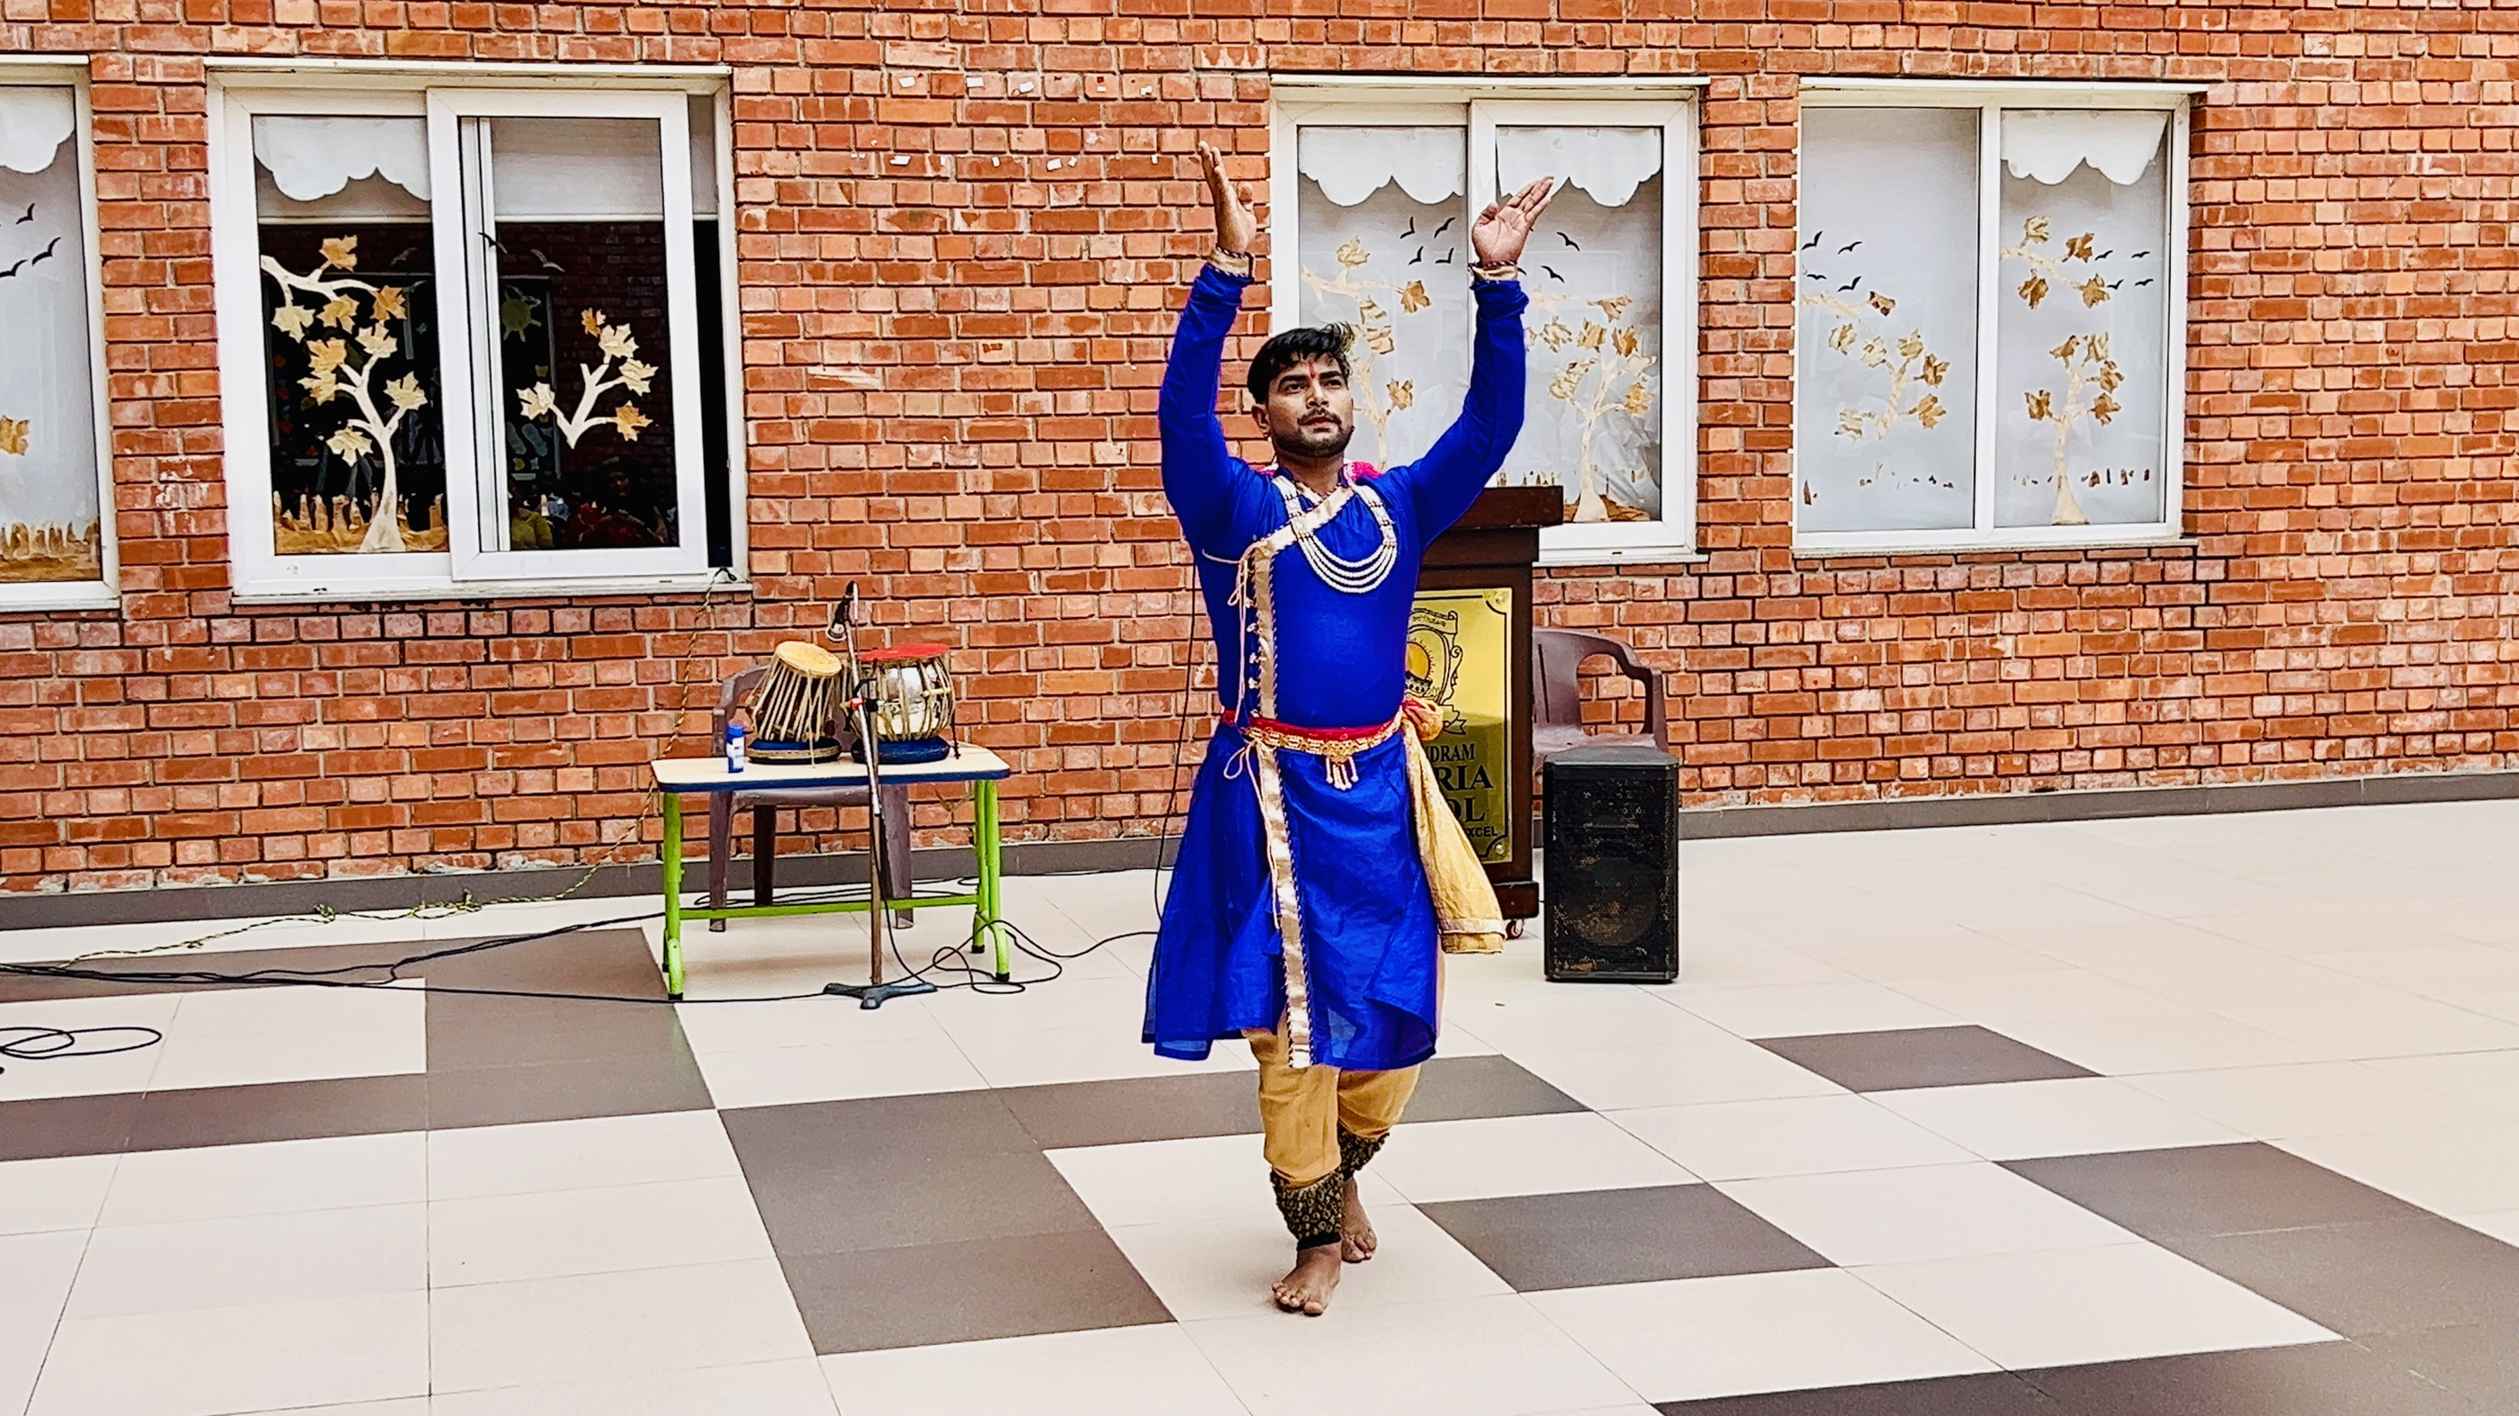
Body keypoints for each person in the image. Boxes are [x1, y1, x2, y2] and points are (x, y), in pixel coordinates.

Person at [1145, 137, 1557, 1316]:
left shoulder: (1398, 507)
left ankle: (1345, 1168)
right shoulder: (1229, 508)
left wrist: (1497, 285)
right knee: (1290, 1033)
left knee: (1392, 1021)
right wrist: (1222, 274)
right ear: (1263, 410)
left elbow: (1487, 427)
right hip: (1266, 799)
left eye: (1330, 379)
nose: (1316, 395)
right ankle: (1315, 1235)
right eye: (1292, 384)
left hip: (1379, 793)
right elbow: (1176, 417)